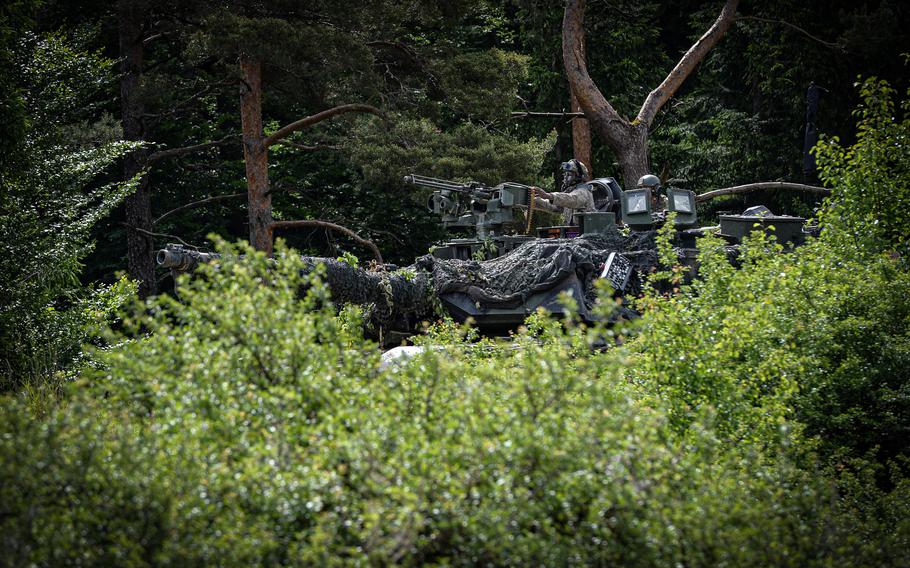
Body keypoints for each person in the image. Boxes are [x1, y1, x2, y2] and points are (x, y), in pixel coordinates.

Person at [531, 159, 596, 225]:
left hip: (588, 232)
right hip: (573, 232)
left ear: (578, 176)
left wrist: (548, 195)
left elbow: (571, 199)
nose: (565, 177)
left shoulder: (584, 191)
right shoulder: (570, 191)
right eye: (565, 174)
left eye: (569, 174)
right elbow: (555, 207)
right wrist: (535, 201)